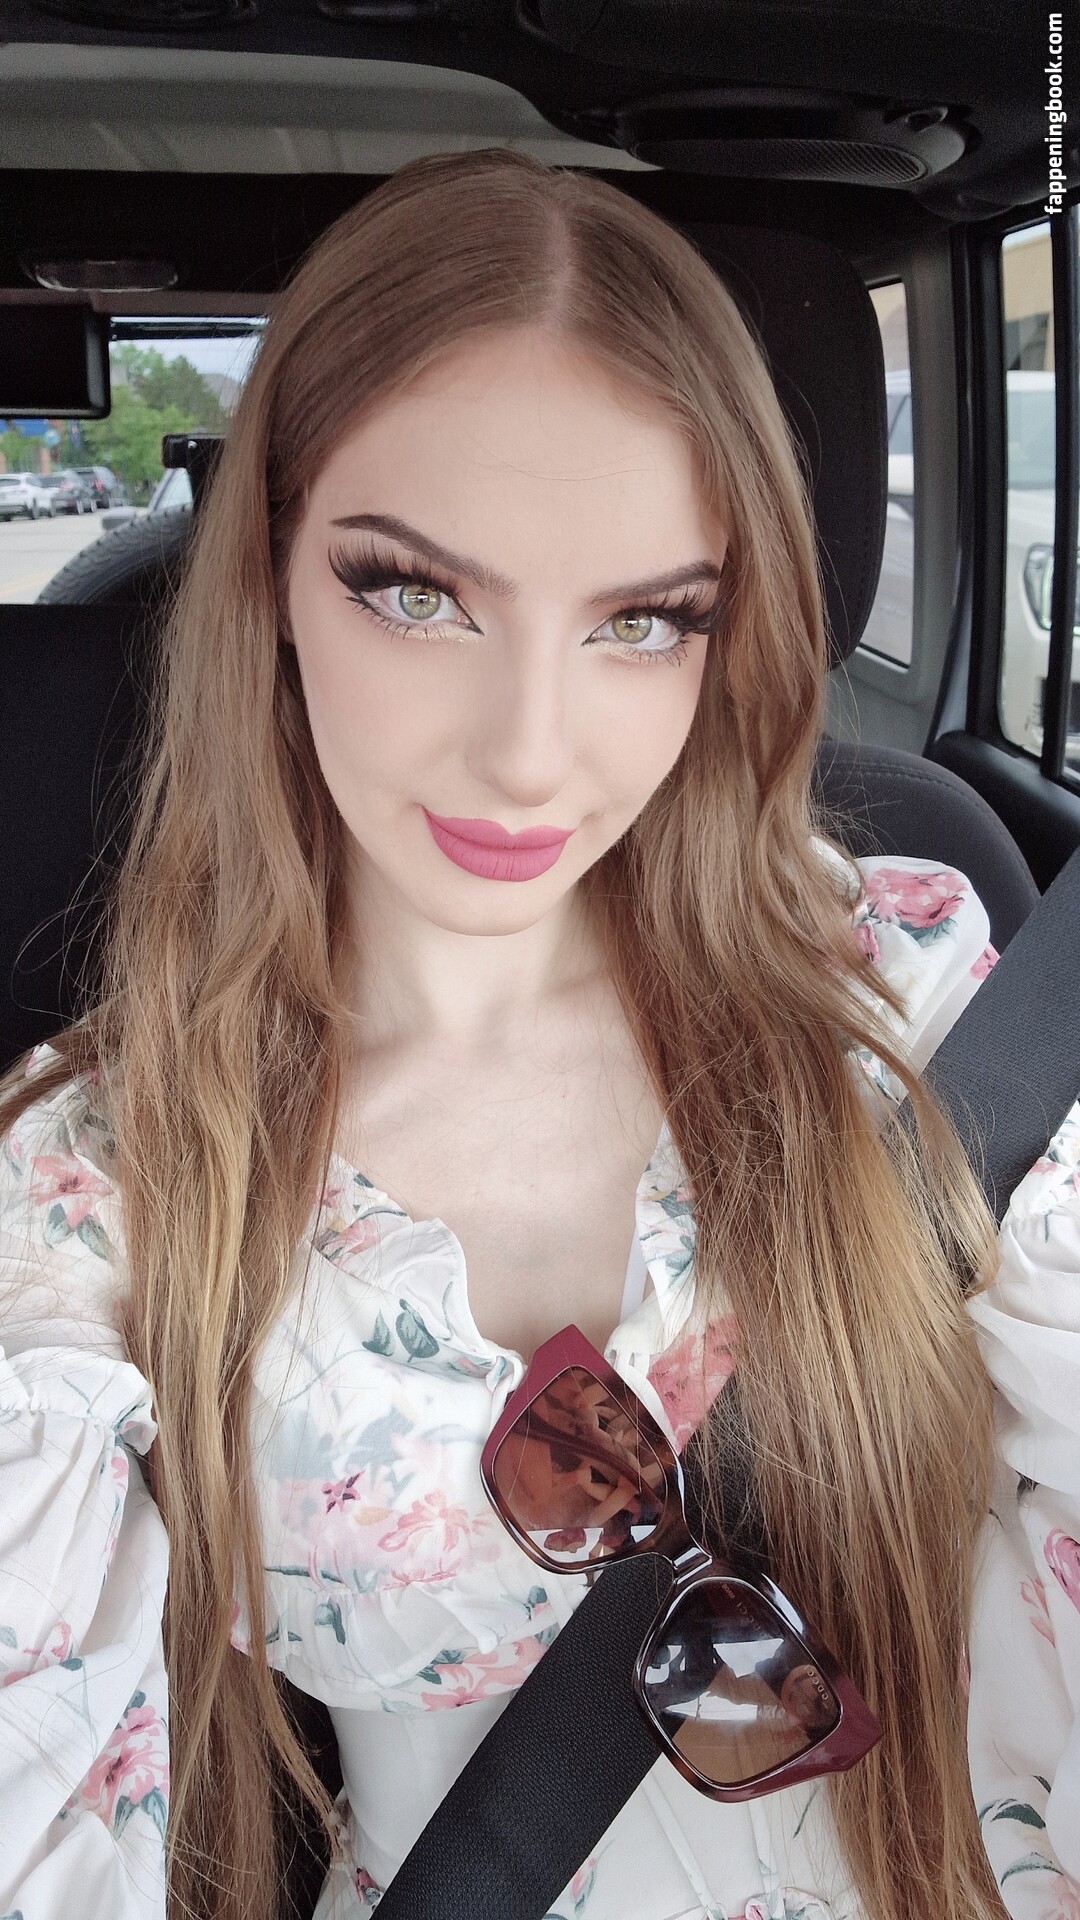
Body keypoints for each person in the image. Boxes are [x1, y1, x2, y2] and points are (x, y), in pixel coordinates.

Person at [0, 147, 1076, 1920]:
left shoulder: (912, 1007)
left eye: (643, 622)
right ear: (268, 573)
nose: (527, 750)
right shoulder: (108, 1180)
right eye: (418, 594)